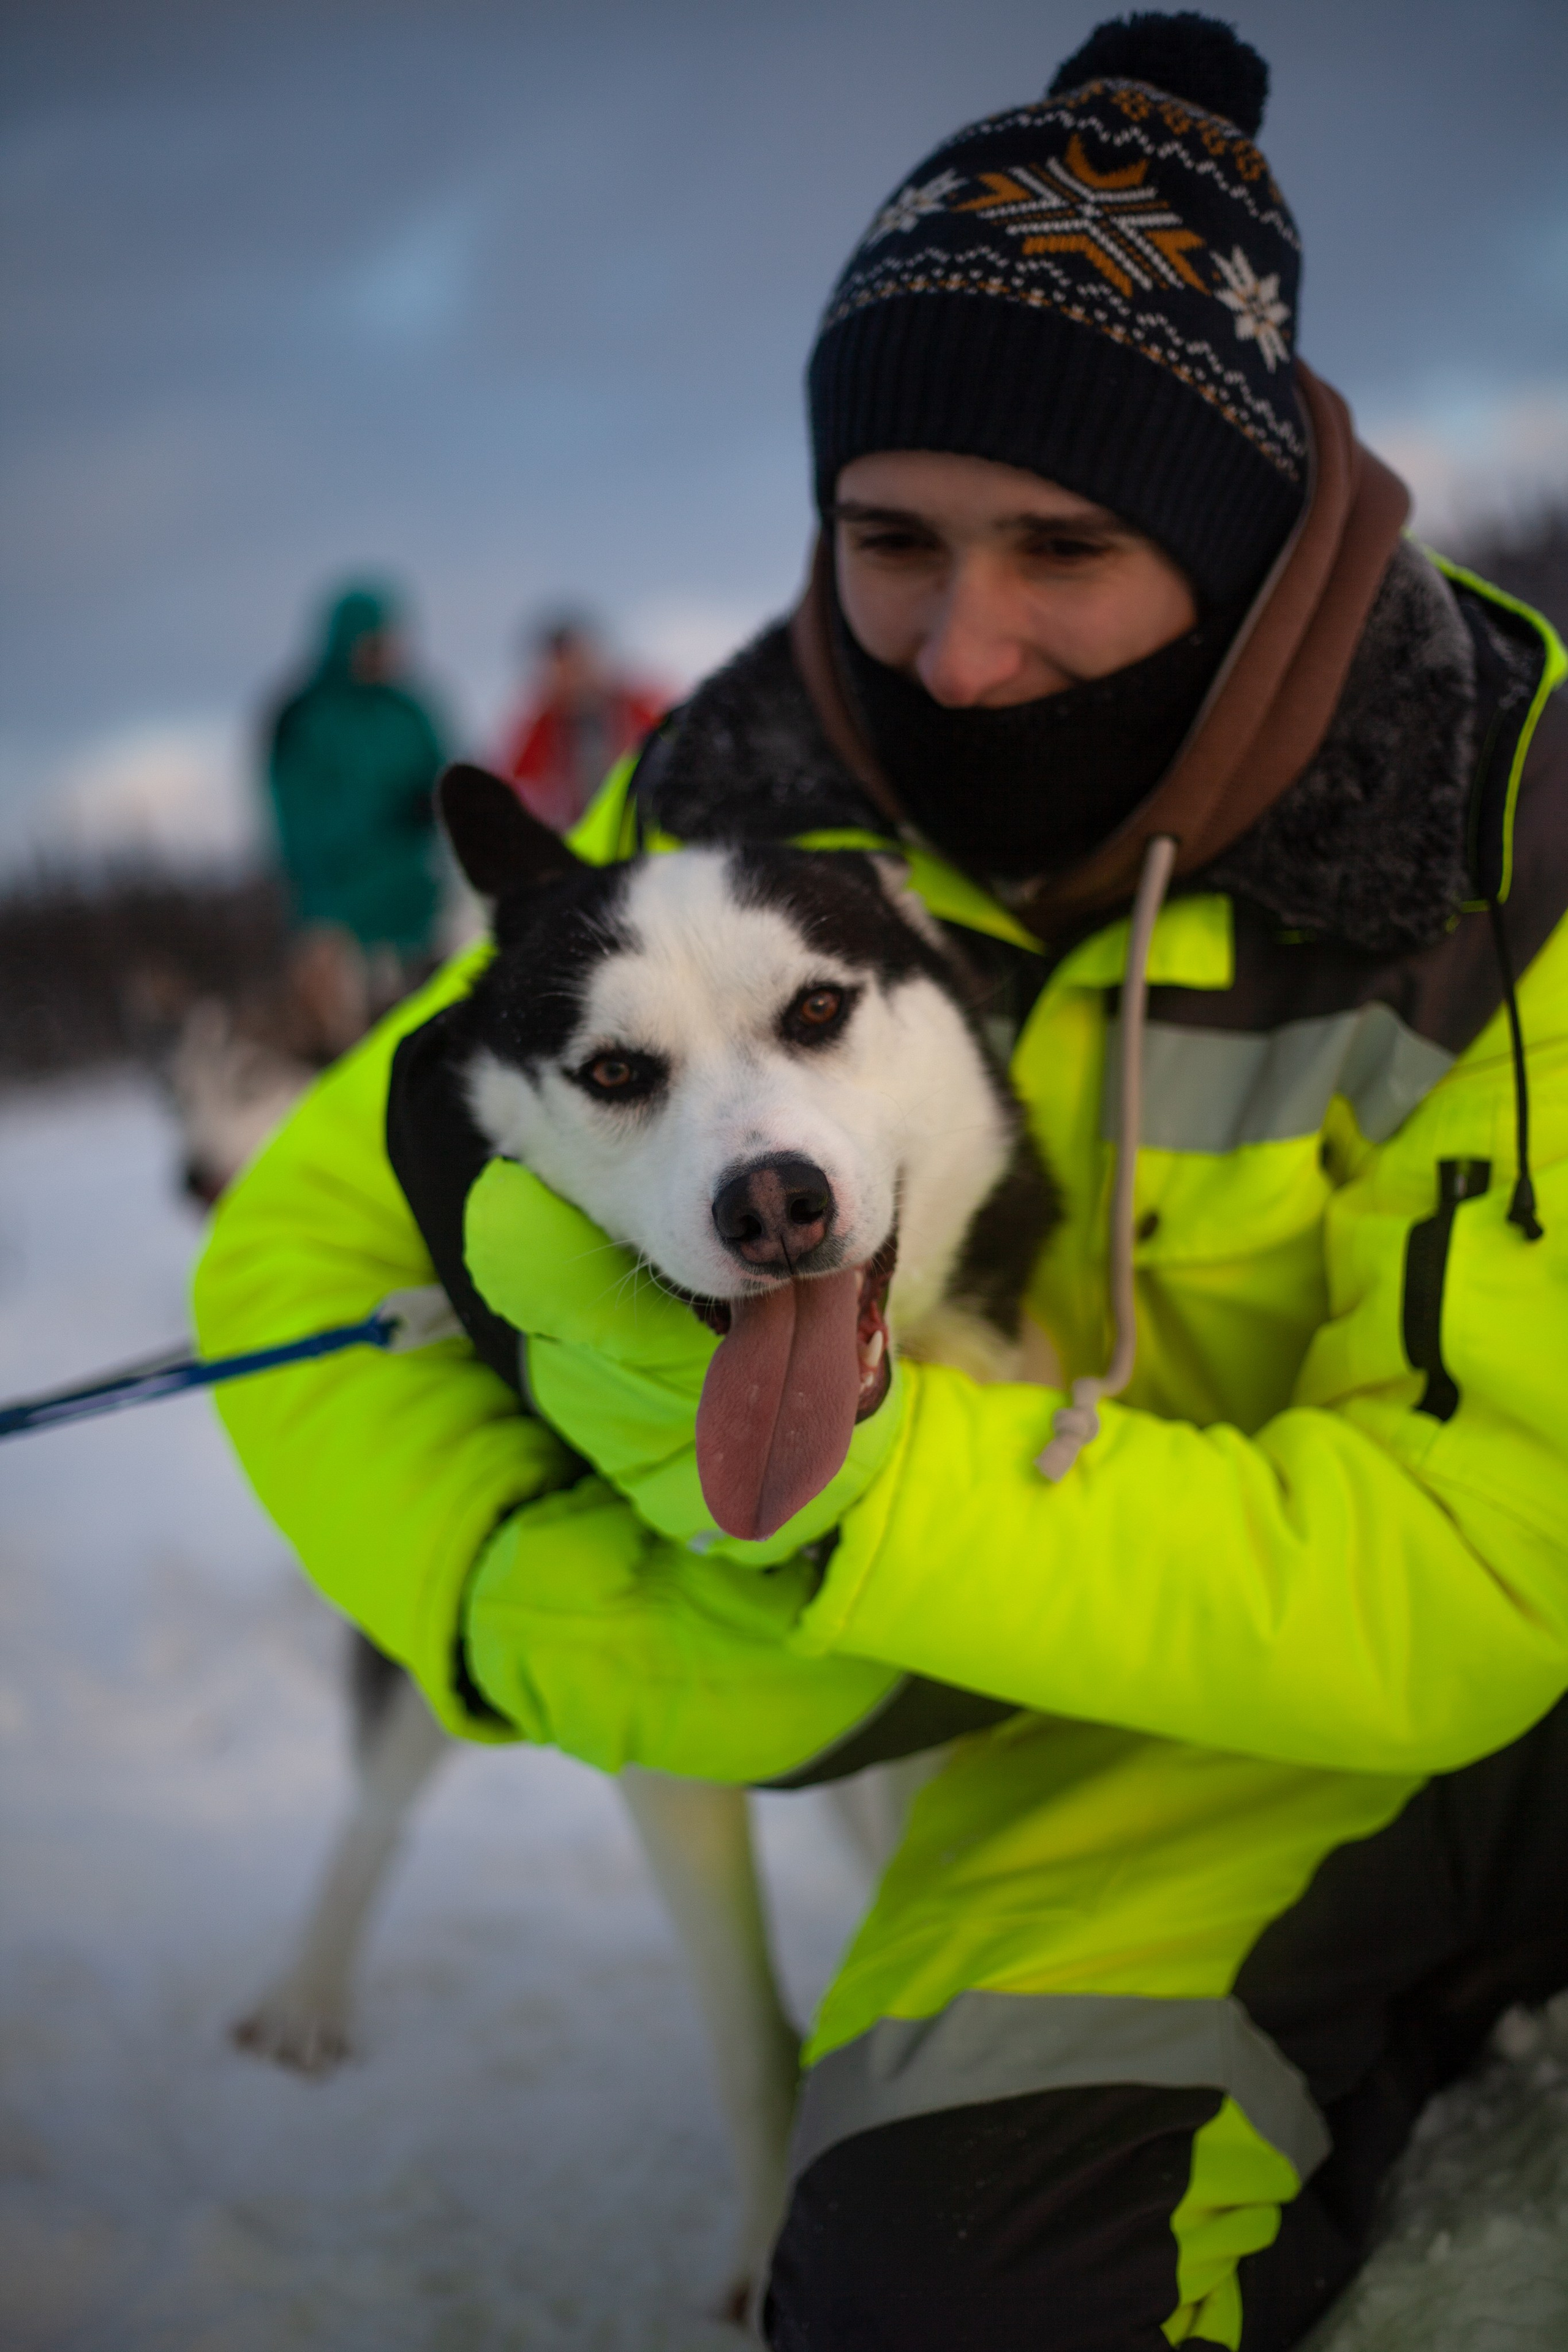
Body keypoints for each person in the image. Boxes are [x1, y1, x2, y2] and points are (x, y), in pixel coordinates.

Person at [195, 16, 1567, 2346]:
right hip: (1129, 1765)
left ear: (1236, 553)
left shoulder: (1495, 846)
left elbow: (1471, 1563)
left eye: (1067, 547)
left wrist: (875, 1514)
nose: (957, 645)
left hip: (1460, 1674)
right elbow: (299, 1247)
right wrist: (557, 1606)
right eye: (888, 539)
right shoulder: (723, 802)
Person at [265, 582, 447, 967]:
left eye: (387, 642)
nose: (383, 655)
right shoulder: (306, 720)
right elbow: (296, 824)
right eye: (372, 644)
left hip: (416, 901)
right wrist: (319, 914)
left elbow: (446, 785)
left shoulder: (408, 712)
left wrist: (429, 804)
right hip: (342, 906)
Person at [497, 612, 665, 832]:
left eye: (578, 666)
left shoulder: (640, 710)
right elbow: (516, 792)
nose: (572, 679)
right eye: (562, 671)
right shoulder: (539, 732)